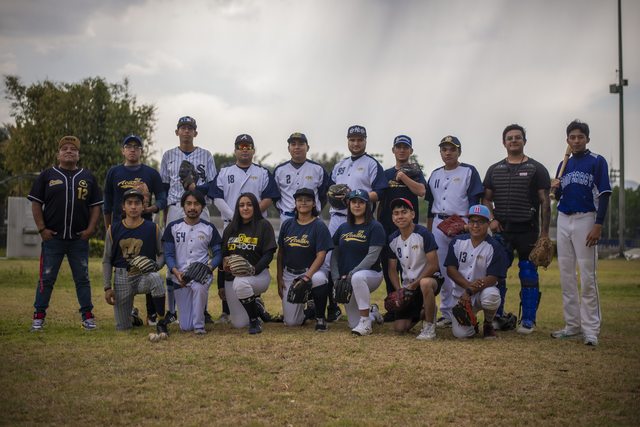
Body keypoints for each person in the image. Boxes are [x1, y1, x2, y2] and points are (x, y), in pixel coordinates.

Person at [202, 134, 280, 323]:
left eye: (248, 146)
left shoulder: (262, 172)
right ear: (235, 150)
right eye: (241, 146)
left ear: (253, 150)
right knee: (229, 263)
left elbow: (269, 197)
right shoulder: (225, 171)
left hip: (256, 226)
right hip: (231, 225)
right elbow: (216, 196)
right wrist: (234, 215)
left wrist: (250, 215)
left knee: (253, 260)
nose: (244, 149)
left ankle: (256, 301)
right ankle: (226, 310)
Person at [28, 136, 103, 331]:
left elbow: (96, 206)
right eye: (65, 149)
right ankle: (38, 316)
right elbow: (36, 203)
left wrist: (90, 229)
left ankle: (87, 315)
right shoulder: (47, 175)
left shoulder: (87, 177)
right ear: (58, 154)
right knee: (46, 278)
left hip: (79, 239)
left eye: (73, 149)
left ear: (78, 155)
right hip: (53, 239)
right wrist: (42, 229)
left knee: (82, 279)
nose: (69, 151)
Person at [483, 124, 551, 334]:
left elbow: (545, 202)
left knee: (529, 274)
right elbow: (486, 198)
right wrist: (491, 219)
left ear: (524, 141)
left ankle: (528, 320)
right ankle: (497, 316)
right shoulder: (494, 169)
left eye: (518, 138)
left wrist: (545, 234)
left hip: (528, 230)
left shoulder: (536, 168)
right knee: (497, 274)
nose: (514, 141)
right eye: (510, 138)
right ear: (504, 142)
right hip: (502, 231)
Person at [550, 120, 611, 346]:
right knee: (566, 276)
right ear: (567, 140)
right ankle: (572, 325)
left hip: (587, 217)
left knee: (587, 276)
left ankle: (591, 329)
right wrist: (555, 188)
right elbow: (559, 196)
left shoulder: (597, 161)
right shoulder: (563, 164)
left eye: (580, 137)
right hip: (564, 218)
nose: (576, 141)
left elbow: (604, 193)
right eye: (572, 137)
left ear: (587, 139)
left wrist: (599, 223)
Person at [104, 134, 167, 326]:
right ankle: (130, 311)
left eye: (136, 147)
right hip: (120, 225)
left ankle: (153, 315)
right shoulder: (114, 172)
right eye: (128, 146)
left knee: (147, 267)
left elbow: (162, 197)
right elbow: (107, 201)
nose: (132, 149)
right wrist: (109, 225)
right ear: (123, 150)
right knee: (124, 264)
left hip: (144, 224)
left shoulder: (150, 173)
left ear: (141, 151)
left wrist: (151, 208)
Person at [326, 125, 388, 322]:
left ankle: (368, 309)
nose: (355, 143)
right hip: (337, 217)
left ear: (365, 141)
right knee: (331, 260)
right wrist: (336, 196)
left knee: (359, 261)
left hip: (362, 220)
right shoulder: (340, 164)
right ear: (347, 141)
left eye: (359, 139)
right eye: (352, 139)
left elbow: (380, 192)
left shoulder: (371, 164)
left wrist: (355, 197)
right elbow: (330, 190)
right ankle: (333, 305)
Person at [160, 116, 217, 324]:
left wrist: (194, 189)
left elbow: (212, 187)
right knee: (174, 258)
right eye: (183, 128)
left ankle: (202, 308)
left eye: (190, 128)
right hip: (176, 206)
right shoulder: (168, 156)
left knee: (203, 257)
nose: (186, 131)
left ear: (195, 132)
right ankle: (172, 309)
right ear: (177, 132)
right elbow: (164, 188)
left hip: (201, 207)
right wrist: (165, 216)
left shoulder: (206, 155)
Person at [425, 135, 483, 329]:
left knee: (462, 268)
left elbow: (475, 201)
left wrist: (471, 225)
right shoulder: (434, 174)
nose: (448, 152)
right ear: (440, 152)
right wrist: (429, 229)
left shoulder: (468, 171)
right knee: (441, 269)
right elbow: (429, 205)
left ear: (459, 152)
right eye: (444, 149)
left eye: (452, 149)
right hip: (439, 223)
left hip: (462, 223)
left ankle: (465, 308)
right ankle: (447, 313)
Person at [102, 188, 168, 332]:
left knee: (156, 278)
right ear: (123, 206)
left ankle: (161, 320)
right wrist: (107, 287)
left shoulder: (153, 228)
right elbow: (107, 259)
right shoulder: (113, 229)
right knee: (123, 328)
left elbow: (163, 253)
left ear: (143, 206)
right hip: (122, 277)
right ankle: (133, 317)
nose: (133, 206)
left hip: (144, 276)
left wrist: (156, 266)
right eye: (129, 203)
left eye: (137, 203)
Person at [377, 135, 427, 321]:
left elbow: (421, 191)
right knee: (389, 266)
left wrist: (404, 177)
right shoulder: (386, 173)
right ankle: (394, 306)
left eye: (405, 147)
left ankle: (413, 304)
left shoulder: (415, 172)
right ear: (393, 150)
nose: (402, 150)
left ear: (410, 151)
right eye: (398, 147)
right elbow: (380, 196)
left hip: (409, 228)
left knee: (411, 265)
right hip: (388, 225)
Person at [162, 190, 222, 335]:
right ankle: (193, 323)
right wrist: (176, 272)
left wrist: (209, 267)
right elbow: (168, 255)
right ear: (183, 206)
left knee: (199, 286)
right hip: (179, 276)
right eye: (189, 203)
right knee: (185, 327)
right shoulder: (173, 227)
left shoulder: (209, 228)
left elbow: (218, 254)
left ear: (202, 207)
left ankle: (200, 326)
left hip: (201, 274)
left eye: (196, 204)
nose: (192, 207)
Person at [444, 205, 508, 339]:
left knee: (492, 296)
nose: (475, 225)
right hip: (460, 296)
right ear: (468, 223)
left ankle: (488, 324)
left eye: (480, 222)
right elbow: (451, 269)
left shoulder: (495, 247)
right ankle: (472, 324)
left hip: (482, 293)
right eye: (472, 221)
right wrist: (468, 288)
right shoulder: (457, 242)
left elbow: (493, 278)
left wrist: (470, 291)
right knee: (461, 334)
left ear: (488, 224)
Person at [331, 189, 386, 336]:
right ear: (349, 205)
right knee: (353, 324)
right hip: (346, 279)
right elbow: (334, 255)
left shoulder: (375, 227)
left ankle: (366, 324)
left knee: (358, 277)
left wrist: (351, 273)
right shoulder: (343, 227)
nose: (357, 205)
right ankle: (372, 314)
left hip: (371, 274)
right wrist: (336, 277)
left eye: (361, 202)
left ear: (367, 205)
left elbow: (372, 257)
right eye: (354, 202)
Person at [276, 188, 333, 331]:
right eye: (300, 200)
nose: (303, 203)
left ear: (314, 204)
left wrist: (307, 277)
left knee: (320, 279)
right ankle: (310, 310)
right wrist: (279, 277)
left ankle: (320, 317)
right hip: (289, 274)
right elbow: (281, 253)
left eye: (307, 200)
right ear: (295, 203)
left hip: (311, 271)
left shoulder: (318, 225)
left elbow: (321, 255)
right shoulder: (288, 224)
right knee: (291, 322)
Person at [221, 192, 277, 334]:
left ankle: (254, 321)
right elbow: (223, 258)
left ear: (255, 207)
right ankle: (256, 306)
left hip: (257, 275)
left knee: (241, 284)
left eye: (249, 204)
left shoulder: (263, 225)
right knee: (239, 324)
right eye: (241, 205)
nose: (245, 208)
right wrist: (221, 285)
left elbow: (269, 254)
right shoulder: (230, 229)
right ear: (237, 209)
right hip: (232, 278)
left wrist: (254, 269)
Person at [387, 198, 440, 340]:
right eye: (396, 213)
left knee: (425, 283)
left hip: (430, 279)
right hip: (408, 285)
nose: (400, 216)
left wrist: (415, 284)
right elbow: (392, 268)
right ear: (392, 218)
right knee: (400, 328)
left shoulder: (423, 234)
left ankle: (429, 327)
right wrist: (399, 289)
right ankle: (427, 311)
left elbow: (434, 265)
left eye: (404, 212)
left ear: (413, 214)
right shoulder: (392, 239)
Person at [273, 132, 330, 224]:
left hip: (312, 218)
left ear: (307, 147)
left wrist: (314, 211)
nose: (297, 147)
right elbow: (275, 197)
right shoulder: (280, 170)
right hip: (287, 217)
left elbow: (323, 195)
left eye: (301, 144)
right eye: (293, 144)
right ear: (288, 148)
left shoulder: (318, 169)